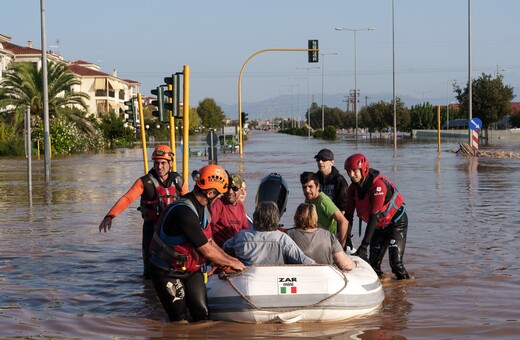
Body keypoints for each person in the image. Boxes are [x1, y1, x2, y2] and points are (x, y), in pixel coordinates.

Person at [148, 164, 245, 322]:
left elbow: (210, 241)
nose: (220, 198)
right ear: (210, 192)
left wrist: (231, 260)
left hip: (192, 270)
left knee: (202, 316)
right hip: (167, 271)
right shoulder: (184, 212)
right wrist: (229, 262)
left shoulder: (204, 208)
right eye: (219, 194)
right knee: (179, 320)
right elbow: (206, 250)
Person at [99, 145, 188, 278]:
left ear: (171, 163)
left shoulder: (178, 180)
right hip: (151, 229)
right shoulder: (144, 182)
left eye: (163, 163)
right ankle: (148, 294)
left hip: (172, 230)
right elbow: (127, 198)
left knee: (175, 266)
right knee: (149, 269)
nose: (159, 167)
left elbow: (187, 203)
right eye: (157, 163)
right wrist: (110, 216)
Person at [344, 153, 410, 280]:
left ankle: (404, 291)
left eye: (354, 171)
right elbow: (348, 216)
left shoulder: (378, 186)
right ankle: (385, 290)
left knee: (396, 264)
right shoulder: (352, 189)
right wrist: (346, 238)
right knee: (373, 266)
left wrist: (364, 246)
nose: (351, 175)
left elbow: (374, 216)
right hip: (379, 227)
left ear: (363, 169)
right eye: (348, 172)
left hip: (396, 223)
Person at [223, 201, 315, 266]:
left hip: (245, 280)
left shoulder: (242, 236)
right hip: (275, 281)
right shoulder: (282, 238)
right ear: (276, 219)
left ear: (256, 217)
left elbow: (225, 247)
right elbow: (304, 260)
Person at [287, 203, 356, 271]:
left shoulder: (287, 235)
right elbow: (345, 264)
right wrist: (355, 264)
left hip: (296, 278)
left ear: (296, 217)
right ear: (316, 217)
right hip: (322, 277)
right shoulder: (328, 236)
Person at [314, 148, 353, 249]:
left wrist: (341, 234)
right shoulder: (315, 179)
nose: (320, 162)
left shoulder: (339, 180)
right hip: (318, 226)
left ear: (332, 162)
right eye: (318, 160)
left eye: (323, 160)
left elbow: (343, 208)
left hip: (334, 226)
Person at [300, 171, 349, 249]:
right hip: (316, 240)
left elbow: (344, 222)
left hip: (327, 243)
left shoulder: (323, 201)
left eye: (310, 186)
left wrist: (340, 248)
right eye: (304, 187)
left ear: (318, 187)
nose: (307, 190)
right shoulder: (308, 200)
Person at [209, 173, 250, 248]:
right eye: (228, 188)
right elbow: (208, 229)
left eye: (234, 189)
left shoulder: (240, 206)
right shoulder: (218, 204)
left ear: (241, 191)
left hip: (237, 248)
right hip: (222, 249)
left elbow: (245, 230)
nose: (230, 192)